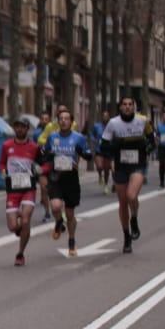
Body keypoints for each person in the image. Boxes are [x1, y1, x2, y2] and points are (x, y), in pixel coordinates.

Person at [38, 107, 93, 257]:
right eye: (60, 119)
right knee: (55, 206)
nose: (63, 121)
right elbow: (42, 153)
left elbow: (88, 154)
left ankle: (72, 241)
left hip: (71, 178)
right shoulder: (52, 137)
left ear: (71, 122)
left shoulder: (78, 138)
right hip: (56, 177)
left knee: (70, 213)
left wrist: (82, 152)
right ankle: (58, 222)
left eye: (66, 119)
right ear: (57, 122)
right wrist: (47, 155)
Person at [100, 96, 148, 254]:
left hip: (137, 164)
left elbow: (153, 140)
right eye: (124, 105)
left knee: (131, 196)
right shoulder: (113, 123)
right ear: (120, 107)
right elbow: (104, 145)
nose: (127, 107)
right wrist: (114, 150)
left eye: (130, 104)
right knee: (122, 203)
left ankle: (134, 218)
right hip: (121, 166)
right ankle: (127, 237)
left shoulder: (143, 121)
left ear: (134, 107)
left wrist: (146, 147)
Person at [0, 116, 41, 266]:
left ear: (27, 129)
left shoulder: (34, 147)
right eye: (17, 126)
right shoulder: (6, 145)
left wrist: (40, 169)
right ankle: (20, 228)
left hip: (28, 188)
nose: (20, 129)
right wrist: (3, 171)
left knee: (25, 220)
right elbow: (2, 163)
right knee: (12, 227)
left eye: (23, 127)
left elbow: (45, 162)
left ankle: (20, 253)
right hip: (13, 189)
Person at [91, 114, 110, 194]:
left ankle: (105, 185)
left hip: (108, 150)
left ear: (109, 117)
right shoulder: (97, 126)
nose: (105, 117)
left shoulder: (111, 126)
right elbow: (92, 134)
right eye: (103, 116)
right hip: (99, 149)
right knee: (99, 166)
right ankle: (99, 175)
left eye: (106, 116)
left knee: (106, 169)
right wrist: (94, 139)